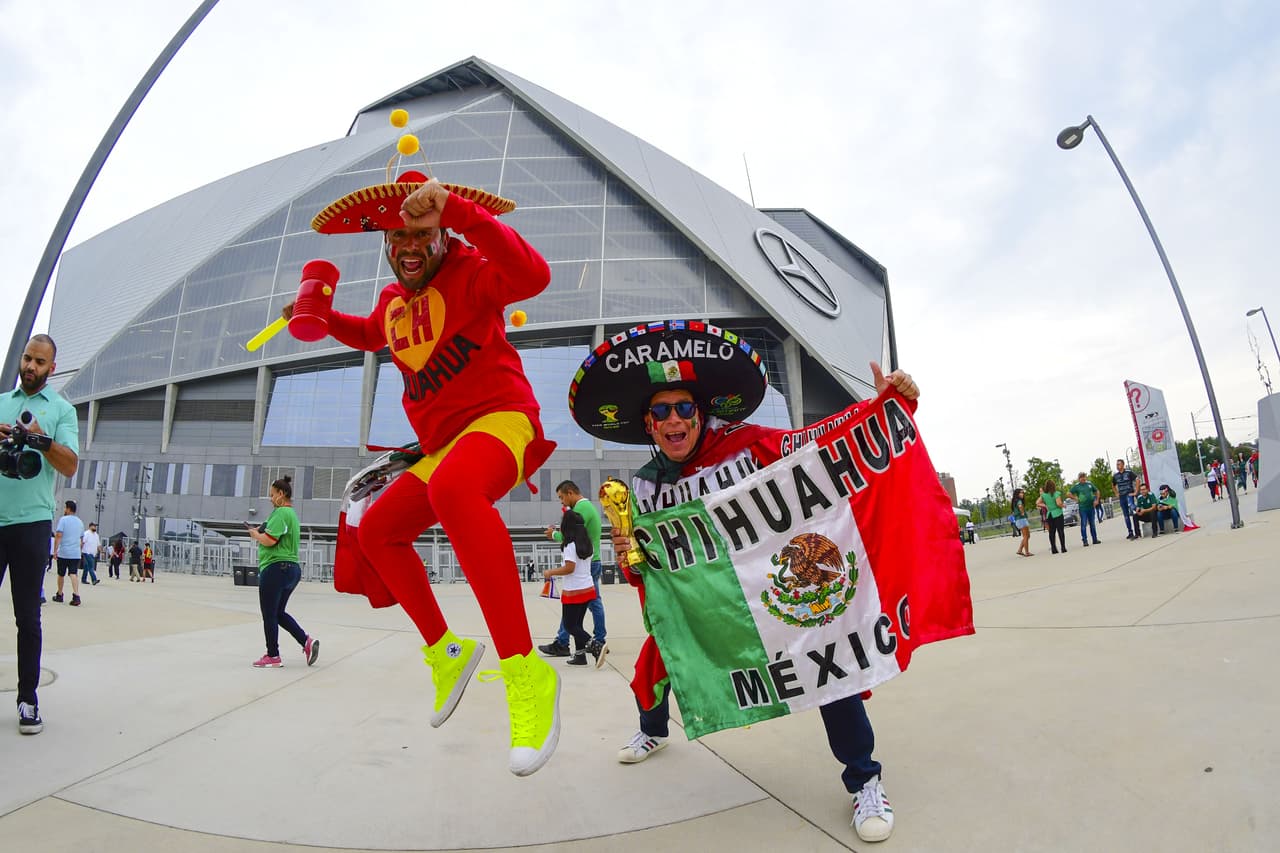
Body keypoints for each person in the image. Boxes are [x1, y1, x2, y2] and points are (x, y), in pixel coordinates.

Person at [569, 322, 919, 844]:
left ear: (701, 413)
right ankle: (654, 730)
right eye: (661, 411)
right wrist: (630, 557)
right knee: (659, 656)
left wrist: (886, 405)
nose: (673, 420)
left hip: (776, 598)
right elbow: (648, 570)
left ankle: (865, 780)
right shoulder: (643, 484)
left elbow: (820, 445)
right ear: (647, 423)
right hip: (707, 607)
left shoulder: (750, 446)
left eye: (684, 407)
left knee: (828, 665)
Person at [292, 130, 559, 777]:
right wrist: (322, 318)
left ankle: (526, 674)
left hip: (501, 421)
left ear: (441, 235)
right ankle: (446, 651)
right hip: (442, 447)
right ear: (385, 245)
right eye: (398, 239)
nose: (409, 248)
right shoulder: (391, 304)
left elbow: (534, 274)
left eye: (422, 235)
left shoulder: (471, 271)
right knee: (378, 527)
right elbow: (369, 331)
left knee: (454, 490)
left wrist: (463, 213)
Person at [0, 334, 80, 735]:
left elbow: (69, 465)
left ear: (52, 368)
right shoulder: (1, 402)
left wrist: (37, 439)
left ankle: (28, 698)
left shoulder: (62, 410)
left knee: (27, 617)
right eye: (27, 359)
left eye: (40, 362)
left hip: (31, 523)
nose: (31, 367)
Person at [244, 475, 318, 668]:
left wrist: (255, 535)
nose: (270, 498)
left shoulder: (280, 513)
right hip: (292, 569)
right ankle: (306, 641)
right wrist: (259, 531)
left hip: (276, 568)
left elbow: (270, 540)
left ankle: (273, 655)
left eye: (272, 494)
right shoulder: (292, 515)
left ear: (281, 494)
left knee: (269, 614)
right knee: (278, 612)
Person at [538, 480, 606, 657]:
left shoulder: (580, 510)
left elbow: (570, 535)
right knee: (588, 604)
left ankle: (589, 641)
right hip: (590, 560)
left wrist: (553, 534)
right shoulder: (587, 507)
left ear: (570, 493)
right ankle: (582, 643)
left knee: (576, 608)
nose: (561, 501)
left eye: (561, 497)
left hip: (585, 564)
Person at [52, 500, 85, 606]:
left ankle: (60, 594)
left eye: (65, 508)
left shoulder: (63, 520)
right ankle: (76, 595)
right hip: (75, 553)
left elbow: (58, 535)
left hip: (64, 552)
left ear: (68, 509)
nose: (64, 510)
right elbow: (81, 540)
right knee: (73, 573)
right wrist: (78, 550)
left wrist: (55, 550)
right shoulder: (80, 522)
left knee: (61, 574)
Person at [1068, 472, 1101, 547]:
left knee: (1092, 524)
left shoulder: (1089, 484)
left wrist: (1097, 500)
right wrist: (1075, 498)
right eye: (1081, 477)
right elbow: (1069, 493)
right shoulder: (1077, 486)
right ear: (1079, 478)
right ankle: (1085, 540)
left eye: (1084, 477)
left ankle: (1095, 539)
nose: (1083, 478)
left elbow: (1097, 491)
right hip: (1083, 508)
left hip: (1091, 507)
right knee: (1083, 524)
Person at [1037, 480, 1067, 554]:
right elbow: (1058, 503)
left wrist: (1045, 505)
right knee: (1060, 531)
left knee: (1052, 532)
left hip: (1049, 514)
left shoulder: (1044, 495)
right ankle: (1063, 547)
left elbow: (1037, 503)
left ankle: (1054, 548)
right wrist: (1063, 505)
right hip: (1058, 513)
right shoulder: (1056, 493)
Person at [1112, 460, 1139, 539]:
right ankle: (1130, 532)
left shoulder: (1129, 472)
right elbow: (1113, 485)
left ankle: (1137, 531)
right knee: (1126, 515)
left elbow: (1137, 480)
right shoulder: (1115, 476)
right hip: (1122, 496)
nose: (1117, 466)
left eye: (1119, 464)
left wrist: (1136, 492)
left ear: (1123, 465)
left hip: (1129, 494)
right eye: (1116, 464)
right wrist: (1116, 493)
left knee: (1132, 509)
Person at [1011, 488, 1033, 556]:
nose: (1022, 494)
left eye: (1023, 493)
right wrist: (1022, 512)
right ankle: (1027, 552)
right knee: (1026, 536)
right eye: (1021, 493)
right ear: (1017, 494)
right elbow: (1020, 506)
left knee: (1027, 536)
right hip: (1021, 519)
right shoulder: (1019, 501)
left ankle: (1020, 550)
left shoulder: (1014, 501)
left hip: (1018, 520)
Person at [80, 522, 101, 586]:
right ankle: (94, 579)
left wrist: (101, 551)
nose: (95, 527)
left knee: (87, 566)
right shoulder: (86, 533)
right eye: (93, 526)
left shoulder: (96, 535)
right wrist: (80, 550)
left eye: (95, 526)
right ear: (90, 527)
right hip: (87, 552)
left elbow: (98, 544)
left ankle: (83, 579)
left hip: (93, 553)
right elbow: (82, 542)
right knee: (91, 566)